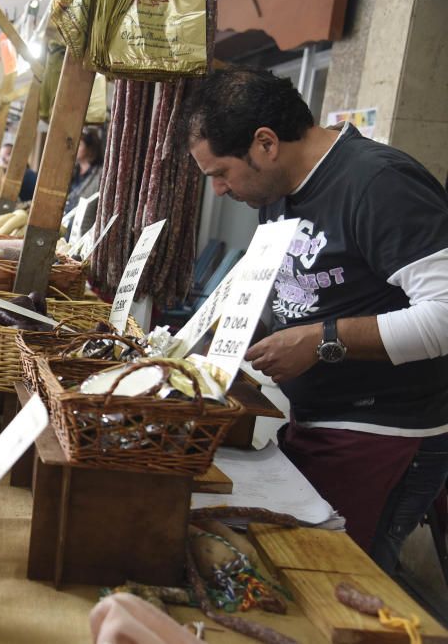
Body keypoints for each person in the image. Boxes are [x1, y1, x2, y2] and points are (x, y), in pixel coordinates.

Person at [180, 67, 448, 573]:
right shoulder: (276, 191)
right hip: (315, 421)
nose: (217, 190)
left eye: (219, 173)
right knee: (295, 568)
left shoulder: (379, 183)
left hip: (385, 434)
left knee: (347, 585)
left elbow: (445, 314)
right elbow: (291, 287)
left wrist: (324, 340)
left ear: (265, 143)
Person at [64, 128, 102, 216]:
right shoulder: (72, 170)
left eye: (80, 144)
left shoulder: (100, 175)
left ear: (90, 148)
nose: (75, 147)